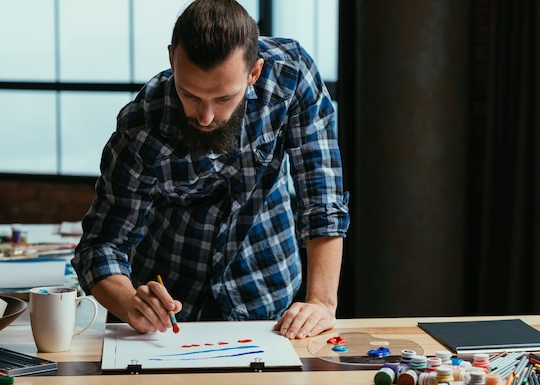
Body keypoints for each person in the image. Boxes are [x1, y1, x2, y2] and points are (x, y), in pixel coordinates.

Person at [71, 0, 349, 340]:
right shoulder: (141, 128)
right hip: (170, 308)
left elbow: (322, 199)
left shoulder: (290, 78)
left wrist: (321, 302)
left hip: (268, 290)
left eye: (222, 99)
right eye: (189, 94)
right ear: (172, 59)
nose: (205, 117)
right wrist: (130, 302)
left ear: (254, 74)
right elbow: (100, 246)